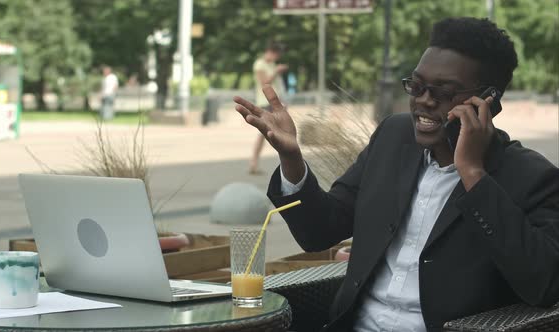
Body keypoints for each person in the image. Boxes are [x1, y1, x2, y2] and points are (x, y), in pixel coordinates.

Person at [233, 17, 559, 331]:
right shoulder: (393, 137)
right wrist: (291, 157)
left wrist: (472, 173)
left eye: (443, 92)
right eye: (416, 86)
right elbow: (320, 232)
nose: (423, 102)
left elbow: (544, 285)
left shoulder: (532, 177)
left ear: (489, 101)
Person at [249, 41, 288, 175]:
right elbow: (264, 82)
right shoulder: (260, 64)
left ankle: (284, 164)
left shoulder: (271, 64)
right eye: (277, 54)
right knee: (266, 133)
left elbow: (277, 86)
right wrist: (276, 71)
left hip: (274, 102)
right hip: (265, 102)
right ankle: (254, 163)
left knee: (278, 133)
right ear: (272, 52)